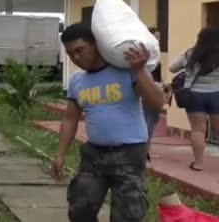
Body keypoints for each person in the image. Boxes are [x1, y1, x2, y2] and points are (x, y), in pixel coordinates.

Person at [52, 22, 164, 222]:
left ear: (96, 44)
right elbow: (70, 118)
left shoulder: (126, 71)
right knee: (80, 210)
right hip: (94, 154)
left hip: (129, 154)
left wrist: (139, 69)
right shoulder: (77, 80)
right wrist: (60, 154)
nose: (76, 58)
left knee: (126, 215)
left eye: (80, 50)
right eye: (70, 54)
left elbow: (157, 102)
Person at [169, 26, 219, 172]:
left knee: (198, 130)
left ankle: (198, 163)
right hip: (216, 95)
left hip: (195, 96)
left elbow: (172, 67)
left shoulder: (191, 53)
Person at [144, 27, 166, 160]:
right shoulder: (144, 54)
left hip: (155, 89)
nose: (157, 40)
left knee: (151, 121)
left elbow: (157, 75)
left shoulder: (155, 55)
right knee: (147, 121)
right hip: (145, 91)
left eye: (159, 37)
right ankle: (143, 150)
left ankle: (146, 149)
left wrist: (163, 85)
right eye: (155, 37)